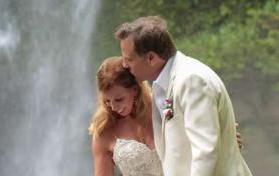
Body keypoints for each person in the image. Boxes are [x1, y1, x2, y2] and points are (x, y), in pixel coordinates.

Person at [115, 16, 252, 176]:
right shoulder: (163, 85)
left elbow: (205, 152)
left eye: (128, 59)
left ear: (151, 58)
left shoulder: (191, 80)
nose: (124, 65)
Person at [89, 57, 164, 176]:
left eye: (119, 99)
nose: (113, 107)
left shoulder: (162, 105)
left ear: (134, 89)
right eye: (107, 101)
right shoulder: (103, 130)